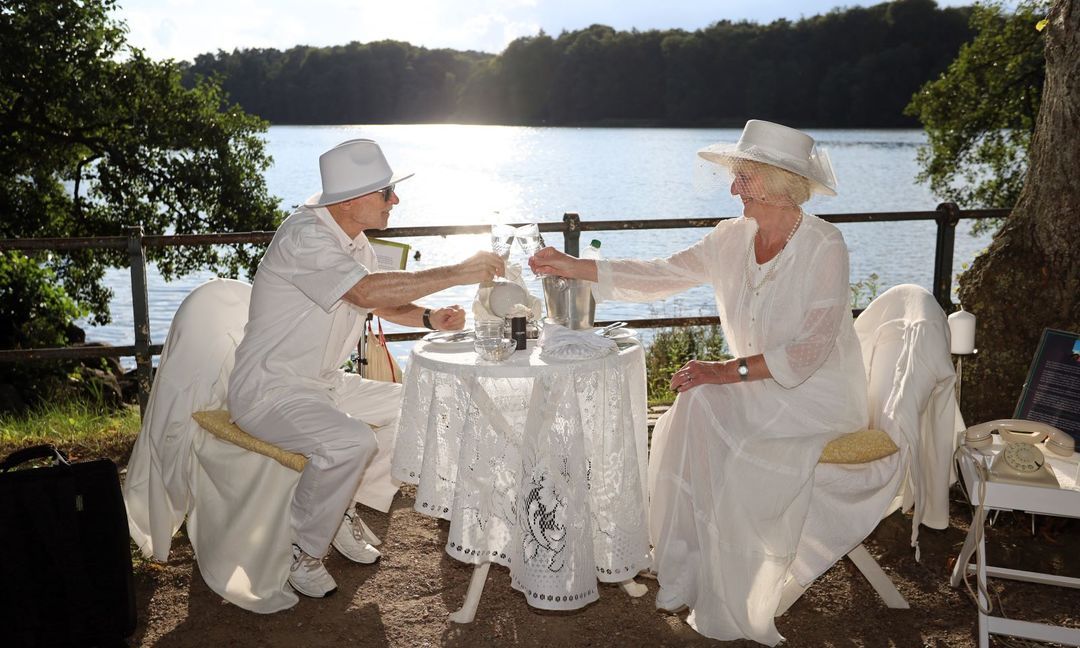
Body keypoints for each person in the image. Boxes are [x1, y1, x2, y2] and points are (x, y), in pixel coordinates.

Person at [528, 120, 867, 645]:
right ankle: (688, 569)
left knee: (706, 398)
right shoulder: (732, 237)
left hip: (814, 396)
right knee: (694, 406)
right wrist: (576, 266)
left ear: (779, 182)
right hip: (756, 385)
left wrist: (720, 371)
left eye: (744, 179)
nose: (733, 189)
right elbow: (663, 272)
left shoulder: (825, 245)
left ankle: (734, 581)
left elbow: (808, 351)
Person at [228, 138, 504, 599]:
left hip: (323, 384)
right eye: (386, 193)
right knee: (351, 440)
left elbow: (378, 298)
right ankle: (301, 549)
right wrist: (458, 271)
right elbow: (363, 293)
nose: (395, 200)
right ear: (352, 199)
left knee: (422, 401)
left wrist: (427, 318)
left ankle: (337, 509)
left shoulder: (353, 241)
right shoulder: (305, 236)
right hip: (270, 389)